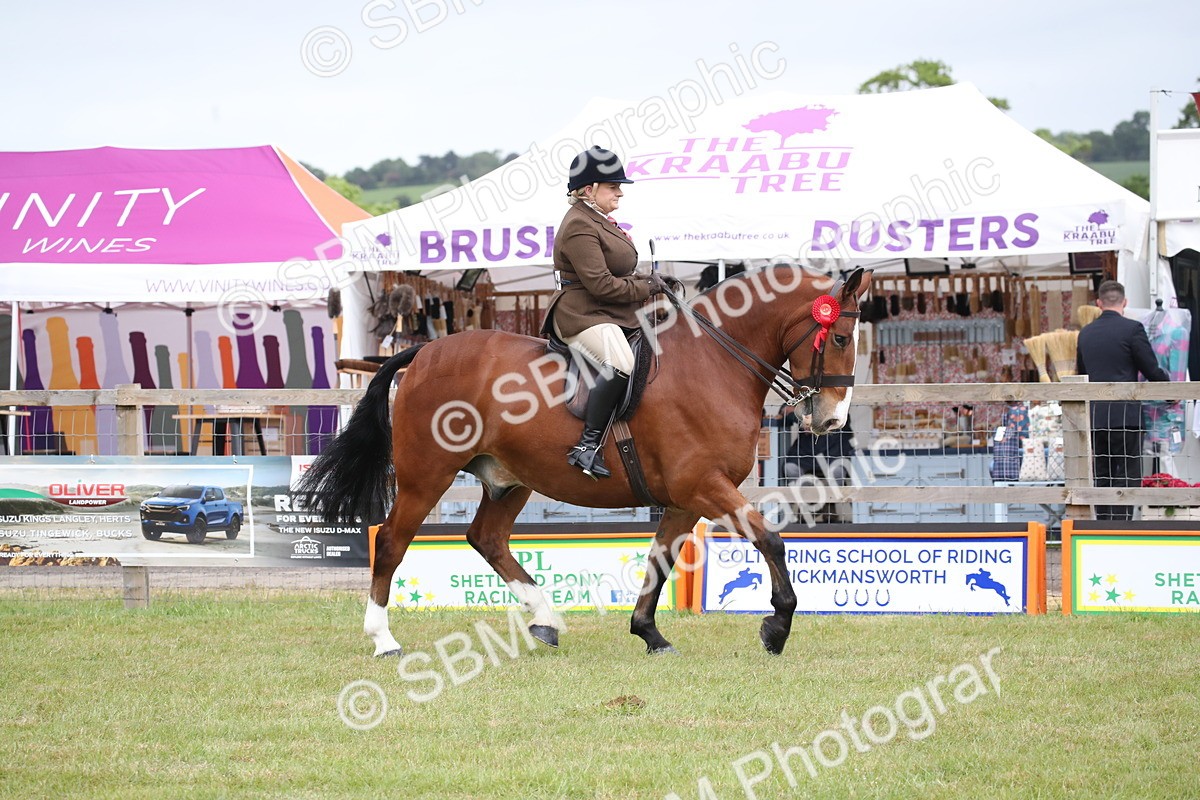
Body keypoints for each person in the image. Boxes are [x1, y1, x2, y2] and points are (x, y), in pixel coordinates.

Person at [541, 147, 675, 479]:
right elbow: (602, 285)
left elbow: (617, 275)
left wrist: (650, 280)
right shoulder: (578, 225)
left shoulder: (598, 219)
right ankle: (586, 447)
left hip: (609, 311)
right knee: (622, 362)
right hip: (581, 314)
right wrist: (648, 288)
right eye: (613, 186)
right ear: (589, 190)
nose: (620, 192)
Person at [1075, 280, 1170, 520]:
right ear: (1124, 302)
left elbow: (1081, 374)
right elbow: (1151, 369)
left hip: (1096, 416)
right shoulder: (1133, 329)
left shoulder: (1085, 334)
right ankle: (1121, 526)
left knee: (1102, 473)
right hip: (1126, 414)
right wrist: (1171, 390)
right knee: (1127, 472)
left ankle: (1102, 525)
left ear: (1099, 303)